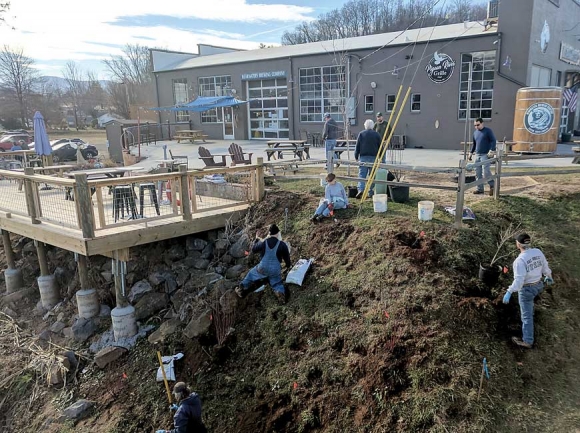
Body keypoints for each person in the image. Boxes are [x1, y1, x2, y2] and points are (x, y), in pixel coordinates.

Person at [502, 233, 553, 349]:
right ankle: (533, 306)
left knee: (527, 317)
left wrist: (509, 291)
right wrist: (548, 275)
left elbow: (519, 281)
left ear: (518, 244)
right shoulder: (538, 252)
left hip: (527, 290)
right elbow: (545, 266)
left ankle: (527, 341)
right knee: (530, 304)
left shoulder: (519, 261)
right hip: (539, 285)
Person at [235, 223, 291, 303]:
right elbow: (287, 259)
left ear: (269, 233)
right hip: (275, 270)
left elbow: (254, 249)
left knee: (251, 274)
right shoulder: (282, 245)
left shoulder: (264, 242)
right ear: (278, 233)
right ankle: (280, 293)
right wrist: (288, 266)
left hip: (262, 268)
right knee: (277, 283)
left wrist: (257, 238)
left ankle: (241, 288)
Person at [354, 119, 383, 199]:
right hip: (373, 157)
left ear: (365, 126)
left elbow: (357, 146)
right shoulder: (376, 135)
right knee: (372, 176)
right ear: (373, 126)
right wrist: (380, 157)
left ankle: (360, 189)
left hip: (363, 157)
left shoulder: (361, 134)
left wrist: (356, 156)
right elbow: (381, 147)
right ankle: (370, 191)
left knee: (362, 175)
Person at [469, 117, 496, 196]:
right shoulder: (475, 133)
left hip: (485, 155)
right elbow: (474, 144)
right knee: (478, 173)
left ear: (482, 123)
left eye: (478, 125)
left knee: (486, 172)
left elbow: (493, 140)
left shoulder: (488, 131)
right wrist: (471, 153)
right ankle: (480, 189)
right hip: (477, 155)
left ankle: (492, 186)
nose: (476, 127)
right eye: (475, 125)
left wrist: (492, 150)